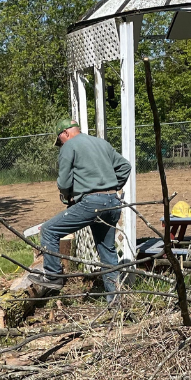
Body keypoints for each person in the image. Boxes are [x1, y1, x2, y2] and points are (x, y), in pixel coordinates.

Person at [31, 118, 131, 302]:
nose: (60, 144)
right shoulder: (102, 143)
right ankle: (115, 303)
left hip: (92, 204)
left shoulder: (69, 146)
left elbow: (64, 182)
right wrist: (110, 187)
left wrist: (68, 195)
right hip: (113, 202)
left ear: (65, 133)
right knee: (108, 252)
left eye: (59, 140)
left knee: (49, 230)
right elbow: (125, 167)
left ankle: (53, 277)